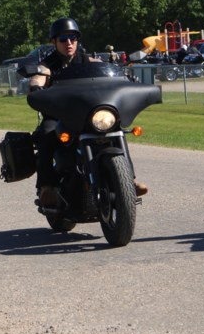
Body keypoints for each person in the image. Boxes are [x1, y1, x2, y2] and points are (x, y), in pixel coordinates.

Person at [29, 17, 149, 207]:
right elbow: (39, 76)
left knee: (117, 130)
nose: (69, 43)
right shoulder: (49, 63)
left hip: (87, 116)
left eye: (72, 38)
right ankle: (46, 188)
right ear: (54, 41)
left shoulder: (86, 59)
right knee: (46, 134)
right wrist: (36, 86)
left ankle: (129, 182)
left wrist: (124, 78)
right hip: (59, 116)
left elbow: (104, 69)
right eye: (63, 39)